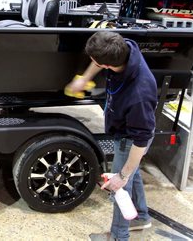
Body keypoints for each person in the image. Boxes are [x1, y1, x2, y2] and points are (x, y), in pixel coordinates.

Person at [64, 31, 156, 241]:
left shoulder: (139, 94)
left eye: (95, 62)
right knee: (133, 174)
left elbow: (140, 141)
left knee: (120, 188)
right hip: (127, 127)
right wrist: (84, 79)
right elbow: (99, 60)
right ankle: (141, 217)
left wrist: (121, 177)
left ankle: (118, 236)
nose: (93, 64)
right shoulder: (124, 48)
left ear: (106, 65)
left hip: (132, 138)